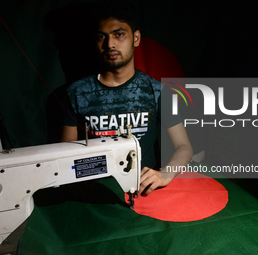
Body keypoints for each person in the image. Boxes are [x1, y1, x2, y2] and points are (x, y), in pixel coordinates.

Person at [61, 0, 193, 198]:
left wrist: (164, 174)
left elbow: (184, 146)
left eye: (119, 34)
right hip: (94, 193)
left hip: (142, 191)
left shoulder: (156, 90)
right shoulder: (76, 93)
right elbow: (65, 152)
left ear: (136, 38)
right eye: (101, 37)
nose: (110, 44)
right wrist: (73, 180)